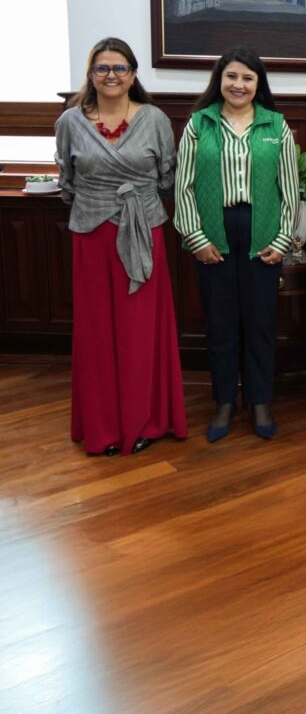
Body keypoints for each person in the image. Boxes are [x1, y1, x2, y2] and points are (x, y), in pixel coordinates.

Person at [54, 38, 187, 456]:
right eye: (102, 68)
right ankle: (104, 427)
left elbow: (167, 177)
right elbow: (67, 182)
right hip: (92, 236)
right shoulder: (71, 121)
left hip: (143, 231)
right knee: (96, 332)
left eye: (119, 68)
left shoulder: (154, 119)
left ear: (133, 75)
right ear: (91, 75)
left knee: (140, 330)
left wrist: (133, 207)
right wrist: (102, 205)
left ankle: (145, 420)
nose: (111, 75)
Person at [174, 47, 299, 442]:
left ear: (258, 84)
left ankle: (260, 400)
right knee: (221, 321)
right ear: (220, 79)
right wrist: (196, 238)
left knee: (261, 321)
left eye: (247, 77)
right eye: (231, 76)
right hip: (214, 232)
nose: (238, 84)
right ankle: (225, 400)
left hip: (262, 233)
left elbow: (290, 190)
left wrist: (282, 239)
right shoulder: (200, 124)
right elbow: (183, 186)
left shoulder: (276, 125)